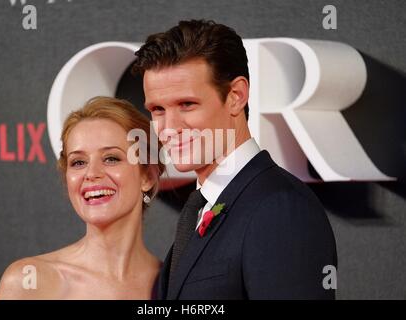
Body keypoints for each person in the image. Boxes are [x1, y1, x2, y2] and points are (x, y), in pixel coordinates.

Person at [133, 19, 337, 299]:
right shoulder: (202, 206)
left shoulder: (280, 208)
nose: (169, 128)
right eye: (157, 109)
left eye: (187, 104)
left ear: (236, 96)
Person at [0, 97, 165, 299]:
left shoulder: (174, 285)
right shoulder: (29, 282)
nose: (91, 173)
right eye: (78, 162)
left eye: (111, 158)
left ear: (147, 175)